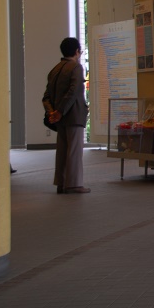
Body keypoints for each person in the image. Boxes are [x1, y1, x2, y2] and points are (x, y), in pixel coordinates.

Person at [42, 37, 90, 194]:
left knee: (62, 151)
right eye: (80, 51)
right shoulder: (76, 68)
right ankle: (74, 184)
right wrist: (61, 111)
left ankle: (61, 183)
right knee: (75, 151)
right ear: (76, 51)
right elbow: (74, 91)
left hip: (59, 119)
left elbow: (46, 97)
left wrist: (52, 113)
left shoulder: (54, 70)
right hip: (73, 115)